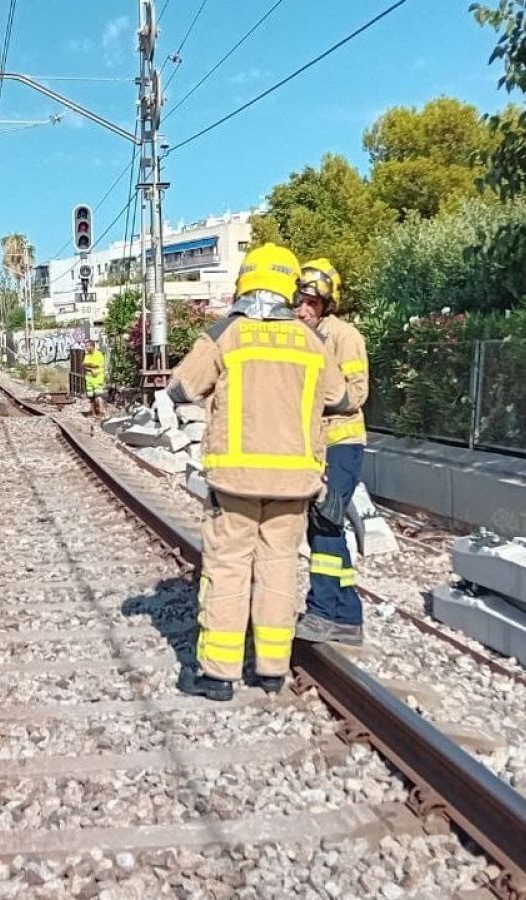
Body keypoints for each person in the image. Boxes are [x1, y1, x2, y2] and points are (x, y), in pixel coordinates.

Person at [165, 244, 354, 701]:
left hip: (237, 480)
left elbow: (180, 388)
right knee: (279, 567)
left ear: (245, 282)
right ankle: (272, 668)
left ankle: (218, 674)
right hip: (295, 482)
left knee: (229, 568)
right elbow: (342, 398)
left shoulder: (227, 334)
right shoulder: (312, 340)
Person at [291, 259, 371, 646]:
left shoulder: (343, 336)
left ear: (326, 306)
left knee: (325, 521)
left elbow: (357, 393)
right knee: (327, 526)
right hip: (316, 444)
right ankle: (348, 615)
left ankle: (323, 612)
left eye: (313, 304)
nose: (304, 310)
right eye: (300, 301)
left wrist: (317, 400)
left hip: (342, 441)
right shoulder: (299, 336)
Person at [82, 338, 106, 417]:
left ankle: (101, 411)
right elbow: (84, 364)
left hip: (97, 378)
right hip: (89, 378)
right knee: (91, 396)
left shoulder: (98, 354)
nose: (86, 348)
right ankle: (93, 412)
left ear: (92, 346)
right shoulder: (87, 354)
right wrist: (89, 366)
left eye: (87, 346)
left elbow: (95, 365)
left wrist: (88, 365)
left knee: (98, 395)